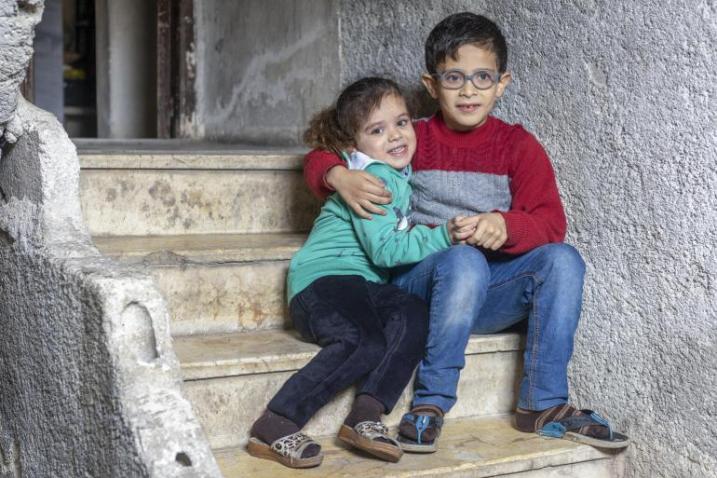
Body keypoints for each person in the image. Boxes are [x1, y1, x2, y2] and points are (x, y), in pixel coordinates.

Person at [303, 12, 629, 452]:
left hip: (490, 292)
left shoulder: (517, 145)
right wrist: (337, 177)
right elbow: (320, 155)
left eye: (482, 77)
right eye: (454, 78)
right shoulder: (410, 137)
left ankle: (543, 403)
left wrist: (507, 225)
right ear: (432, 85)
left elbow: (550, 223)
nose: (469, 89)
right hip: (422, 285)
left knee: (564, 260)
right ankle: (431, 402)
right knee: (462, 257)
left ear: (502, 83)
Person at [247, 77, 472, 469]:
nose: (396, 136)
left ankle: (364, 416)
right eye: (377, 130)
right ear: (354, 147)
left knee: (413, 314)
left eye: (401, 123)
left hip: (362, 284)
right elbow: (385, 250)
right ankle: (276, 421)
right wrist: (443, 236)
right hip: (322, 282)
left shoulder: (394, 174)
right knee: (363, 341)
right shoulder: (375, 179)